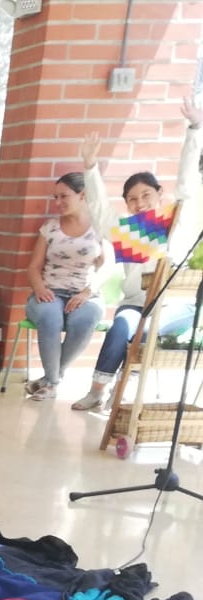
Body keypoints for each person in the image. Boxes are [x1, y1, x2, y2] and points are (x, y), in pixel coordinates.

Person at [71, 98, 202, 411]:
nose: (140, 202)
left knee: (142, 328)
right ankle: (99, 390)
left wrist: (195, 129)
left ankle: (126, 383)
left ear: (159, 195)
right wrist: (90, 167)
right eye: (132, 199)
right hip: (135, 305)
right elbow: (102, 214)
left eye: (146, 195)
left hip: (173, 306)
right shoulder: (131, 233)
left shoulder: (176, 227)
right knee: (122, 326)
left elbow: (187, 186)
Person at [22, 172, 105, 402]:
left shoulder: (100, 227)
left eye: (63, 196)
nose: (57, 203)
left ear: (83, 195)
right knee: (50, 318)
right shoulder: (50, 228)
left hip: (87, 293)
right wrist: (39, 288)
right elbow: (33, 267)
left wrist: (87, 292)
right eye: (55, 197)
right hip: (50, 290)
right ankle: (52, 381)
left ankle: (50, 379)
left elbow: (109, 267)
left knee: (84, 320)